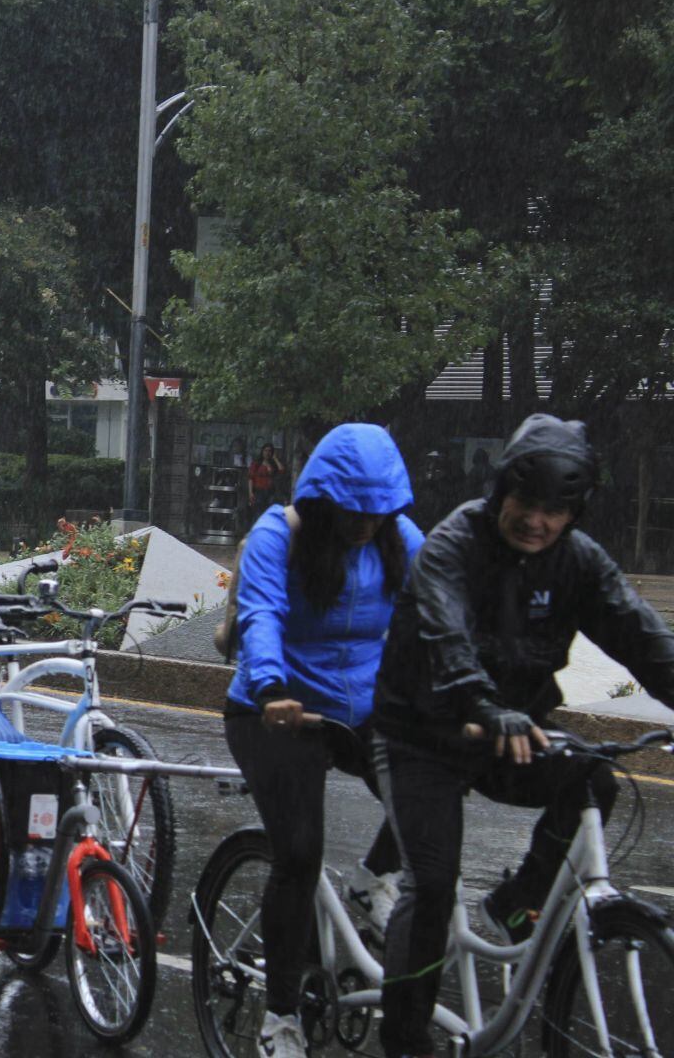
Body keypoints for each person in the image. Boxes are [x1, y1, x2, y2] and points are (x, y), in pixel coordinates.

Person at [372, 414, 674, 1058]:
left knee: (594, 775)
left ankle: (518, 899)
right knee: (432, 886)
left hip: (510, 732)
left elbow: (645, 641)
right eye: (526, 504)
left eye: (555, 510)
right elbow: (445, 636)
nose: (537, 521)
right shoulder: (454, 543)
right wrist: (484, 702)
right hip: (420, 733)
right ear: (502, 489)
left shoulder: (578, 562)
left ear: (574, 512)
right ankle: (403, 1038)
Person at [223, 423, 423, 1058]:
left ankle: (373, 879)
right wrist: (271, 687)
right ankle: (279, 1018)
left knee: (433, 784)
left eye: (378, 511)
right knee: (301, 853)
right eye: (353, 510)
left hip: (363, 710)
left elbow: (444, 610)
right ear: (324, 499)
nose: (366, 523)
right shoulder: (279, 536)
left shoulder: (400, 540)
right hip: (276, 709)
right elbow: (259, 615)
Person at [248, 442, 286, 512]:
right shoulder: (257, 463)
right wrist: (250, 492)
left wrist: (275, 458)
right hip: (259, 492)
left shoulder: (273, 464)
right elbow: (251, 478)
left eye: (269, 451)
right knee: (258, 512)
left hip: (270, 492)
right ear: (262, 451)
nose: (267, 453)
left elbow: (282, 470)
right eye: (265, 450)